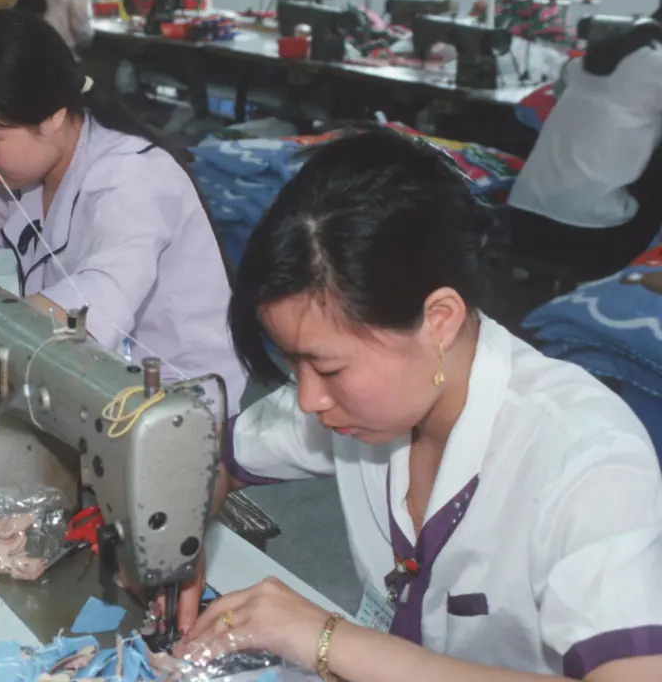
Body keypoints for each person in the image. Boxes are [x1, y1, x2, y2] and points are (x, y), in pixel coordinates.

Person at [169, 127, 662, 680]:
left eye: (328, 368)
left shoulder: (586, 459)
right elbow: (212, 456)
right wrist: (177, 550)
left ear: (439, 321)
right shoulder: (367, 407)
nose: (308, 399)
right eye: (293, 365)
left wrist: (328, 639)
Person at [0, 10, 246, 403]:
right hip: (90, 380)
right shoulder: (34, 171)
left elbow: (97, 304)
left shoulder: (131, 181)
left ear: (52, 118)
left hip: (179, 404)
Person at [508, 13, 662, 282]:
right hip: (588, 236)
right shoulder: (656, 66)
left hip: (523, 221)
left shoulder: (591, 61)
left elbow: (562, 84)